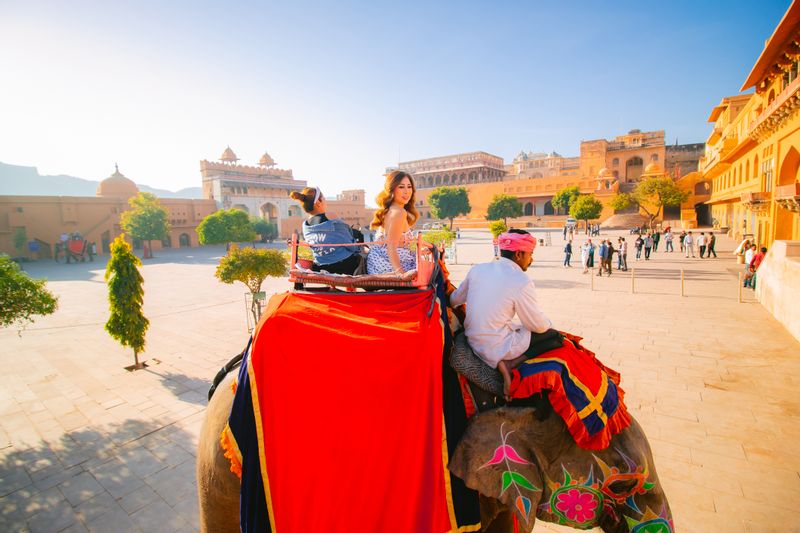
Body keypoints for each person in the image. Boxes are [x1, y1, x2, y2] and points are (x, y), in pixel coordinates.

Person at [449, 229, 552, 399]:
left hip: (473, 339)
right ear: (518, 254)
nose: (531, 259)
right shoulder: (521, 280)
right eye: (530, 254)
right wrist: (548, 322)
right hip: (496, 347)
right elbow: (537, 326)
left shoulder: (478, 269)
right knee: (553, 336)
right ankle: (509, 364)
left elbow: (454, 300)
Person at [290, 187, 362, 275]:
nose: (325, 200)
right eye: (323, 198)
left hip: (320, 267)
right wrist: (360, 248)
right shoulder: (330, 216)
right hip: (344, 266)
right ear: (318, 203)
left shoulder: (305, 225)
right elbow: (348, 242)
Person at [366, 170, 419, 275]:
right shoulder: (399, 212)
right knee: (436, 267)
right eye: (401, 187)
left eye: (409, 187)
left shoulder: (390, 210)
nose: (406, 191)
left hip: (376, 265)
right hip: (388, 267)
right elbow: (391, 247)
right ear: (392, 189)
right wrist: (401, 275)